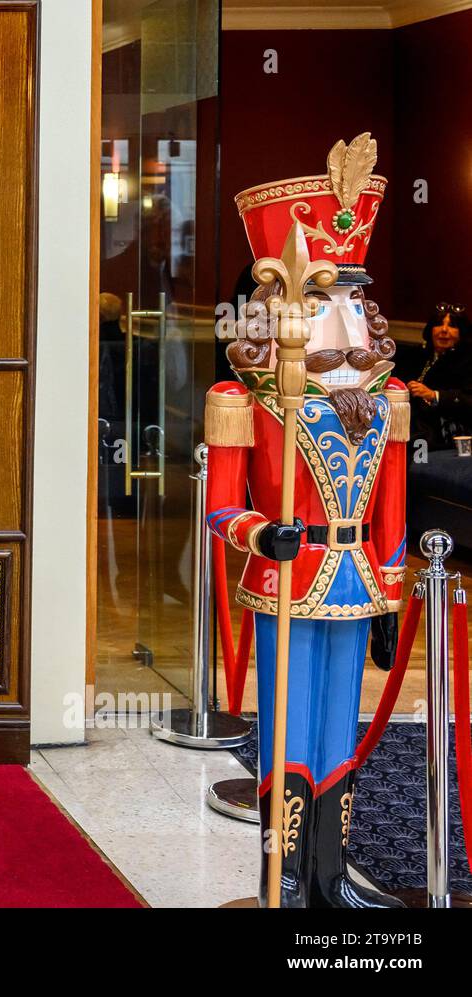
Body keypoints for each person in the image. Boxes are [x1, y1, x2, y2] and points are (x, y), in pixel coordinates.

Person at [209, 133, 405, 906]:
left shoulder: (385, 403)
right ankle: (280, 874)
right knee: (288, 724)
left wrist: (392, 583)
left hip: (356, 582)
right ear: (281, 305)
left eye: (355, 300)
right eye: (325, 299)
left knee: (338, 727)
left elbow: (391, 507)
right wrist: (260, 532)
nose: (347, 321)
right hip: (285, 574)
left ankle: (331, 872)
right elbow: (223, 505)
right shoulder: (243, 401)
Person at [405, 303, 472, 449]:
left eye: (452, 326)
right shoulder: (417, 355)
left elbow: (468, 400)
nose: (444, 330)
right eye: (439, 325)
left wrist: (433, 395)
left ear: (462, 332)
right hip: (414, 427)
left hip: (450, 434)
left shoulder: (468, 360)